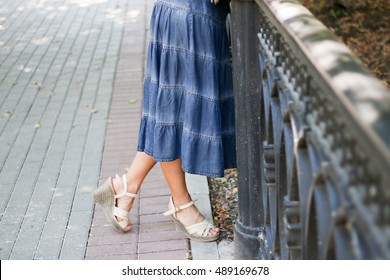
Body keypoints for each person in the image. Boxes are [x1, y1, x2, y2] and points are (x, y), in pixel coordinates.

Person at [93, 0, 235, 242]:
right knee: (173, 113)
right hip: (189, 14)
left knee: (173, 109)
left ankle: (126, 186)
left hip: (191, 13)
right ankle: (181, 203)